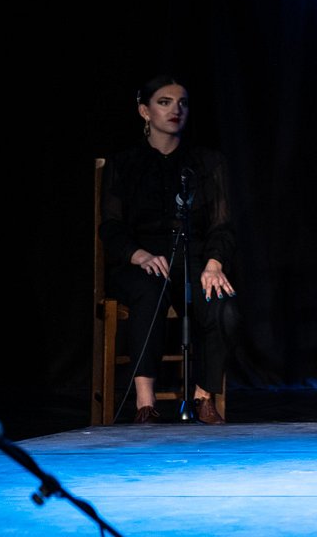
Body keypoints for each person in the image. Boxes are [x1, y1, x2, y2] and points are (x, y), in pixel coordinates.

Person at [99, 75, 239, 424]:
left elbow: (222, 224)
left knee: (221, 303)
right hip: (141, 261)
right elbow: (111, 227)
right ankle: (145, 402)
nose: (176, 109)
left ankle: (204, 396)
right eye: (164, 102)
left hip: (194, 258)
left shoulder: (207, 162)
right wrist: (139, 254)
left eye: (182, 103)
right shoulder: (125, 164)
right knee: (150, 291)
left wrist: (214, 262)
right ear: (144, 111)